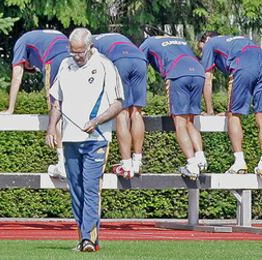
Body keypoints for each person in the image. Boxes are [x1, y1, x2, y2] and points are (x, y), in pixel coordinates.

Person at [46, 28, 124, 252]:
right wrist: (51, 127)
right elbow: (57, 102)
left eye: (80, 52)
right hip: (70, 139)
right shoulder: (64, 65)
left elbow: (118, 103)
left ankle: (88, 239)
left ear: (90, 47)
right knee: (76, 190)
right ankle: (84, 238)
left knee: (91, 188)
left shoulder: (105, 66)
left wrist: (97, 121)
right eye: (73, 52)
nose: (77, 56)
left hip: (95, 138)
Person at [0, 30, 70, 179]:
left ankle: (62, 164)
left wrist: (10, 109)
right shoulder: (49, 35)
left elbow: (17, 76)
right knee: (72, 110)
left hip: (55, 61)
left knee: (55, 110)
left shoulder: (21, 42)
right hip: (74, 58)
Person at [140, 35, 207, 180]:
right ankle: (200, 158)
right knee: (190, 121)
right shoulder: (179, 39)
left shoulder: (148, 43)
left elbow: (140, 67)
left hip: (178, 73)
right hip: (198, 71)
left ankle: (191, 164)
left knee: (180, 123)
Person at [199, 32, 262, 174]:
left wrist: (210, 112)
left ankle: (239, 161)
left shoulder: (210, 43)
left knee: (234, 115)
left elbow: (207, 80)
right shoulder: (235, 40)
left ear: (207, 40)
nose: (202, 54)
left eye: (201, 49)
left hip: (243, 64)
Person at [93, 33, 147, 178]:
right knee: (136, 112)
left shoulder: (90, 42)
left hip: (119, 60)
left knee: (121, 112)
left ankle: (126, 163)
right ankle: (137, 161)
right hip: (140, 59)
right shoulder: (118, 35)